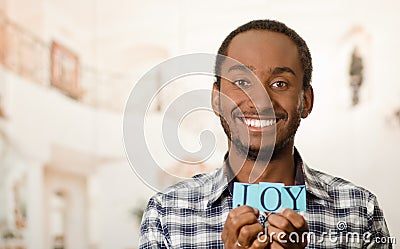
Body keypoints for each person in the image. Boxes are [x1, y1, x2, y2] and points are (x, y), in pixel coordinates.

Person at [139, 19, 392, 248]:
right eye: (242, 83)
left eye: (279, 84)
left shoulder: (360, 211)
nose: (260, 102)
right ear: (216, 100)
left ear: (306, 101)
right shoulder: (167, 213)